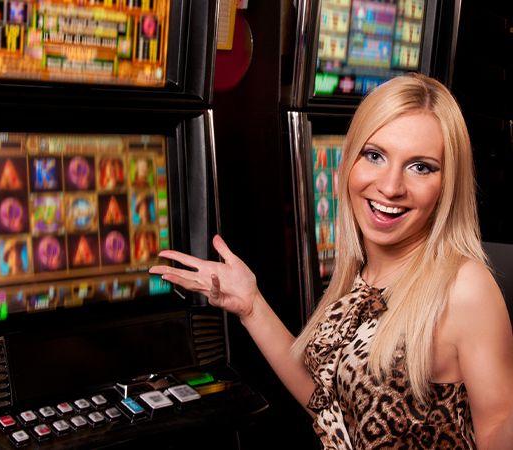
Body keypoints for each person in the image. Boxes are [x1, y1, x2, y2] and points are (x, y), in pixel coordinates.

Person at [149, 73, 513, 449]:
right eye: (375, 156)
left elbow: (500, 430)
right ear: (349, 161)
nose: (390, 186)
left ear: (447, 184)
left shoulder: (463, 286)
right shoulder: (365, 273)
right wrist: (252, 306)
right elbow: (329, 407)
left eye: (420, 166)